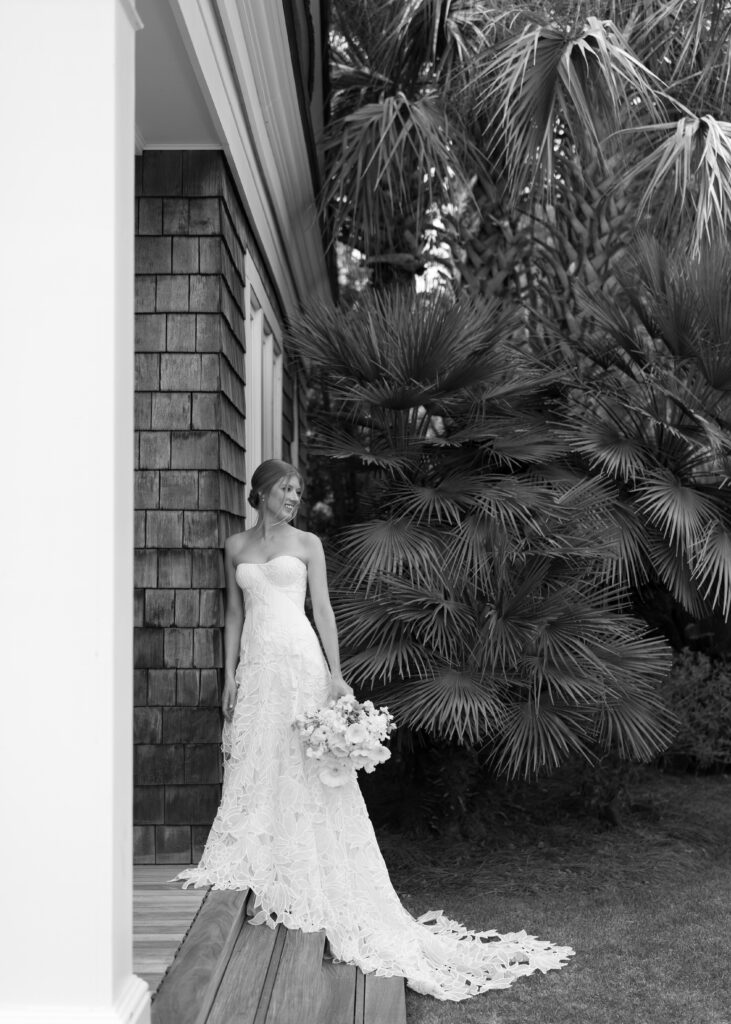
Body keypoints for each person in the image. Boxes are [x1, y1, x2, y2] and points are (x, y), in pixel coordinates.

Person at [175, 459, 574, 1000]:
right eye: (286, 489)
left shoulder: (309, 543)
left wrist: (336, 675)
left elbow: (323, 609)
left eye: (298, 489)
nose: (294, 496)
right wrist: (228, 678)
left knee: (305, 763)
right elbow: (233, 613)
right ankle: (260, 854)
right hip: (257, 666)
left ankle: (309, 863)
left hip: (300, 660)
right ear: (262, 492)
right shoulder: (235, 546)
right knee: (258, 755)